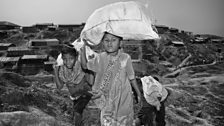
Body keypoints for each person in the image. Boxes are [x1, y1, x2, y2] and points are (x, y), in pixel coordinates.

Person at [80, 32, 142, 126]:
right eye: (106, 40)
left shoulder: (125, 58)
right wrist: (83, 48)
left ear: (120, 43)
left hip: (123, 98)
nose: (110, 43)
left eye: (114, 40)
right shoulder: (100, 58)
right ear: (102, 43)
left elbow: (131, 77)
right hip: (107, 100)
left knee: (124, 121)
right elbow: (85, 66)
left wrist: (138, 93)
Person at [53, 44, 93, 126]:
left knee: (77, 112)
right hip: (75, 97)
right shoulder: (62, 70)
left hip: (85, 94)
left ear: (76, 57)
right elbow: (59, 86)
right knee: (77, 115)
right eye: (65, 59)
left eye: (71, 59)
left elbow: (91, 82)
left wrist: (89, 66)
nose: (68, 62)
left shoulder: (81, 67)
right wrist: (55, 72)